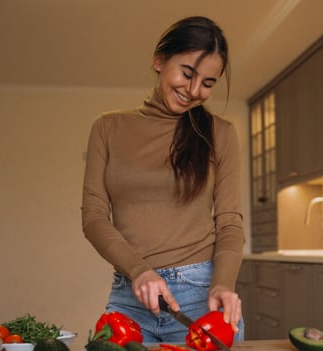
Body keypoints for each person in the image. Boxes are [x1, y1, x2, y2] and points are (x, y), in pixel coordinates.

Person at [81, 15, 245, 343]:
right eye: (187, 74)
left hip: (203, 299)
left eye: (208, 83)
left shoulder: (220, 134)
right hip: (131, 296)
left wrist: (223, 284)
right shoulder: (108, 128)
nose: (194, 91)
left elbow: (229, 224)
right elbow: (94, 218)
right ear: (159, 61)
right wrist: (139, 270)